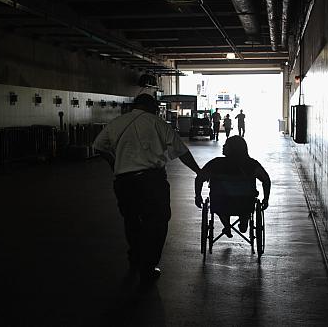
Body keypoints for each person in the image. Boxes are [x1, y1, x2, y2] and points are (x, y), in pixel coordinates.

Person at [93, 93, 200, 286]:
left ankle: (135, 257)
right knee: (158, 222)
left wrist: (114, 163)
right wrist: (199, 171)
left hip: (124, 181)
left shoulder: (117, 122)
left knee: (132, 220)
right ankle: (148, 267)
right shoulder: (156, 123)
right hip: (152, 181)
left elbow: (98, 146)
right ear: (151, 107)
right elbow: (182, 151)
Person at [194, 136, 270, 237]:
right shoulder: (251, 164)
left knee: (221, 203)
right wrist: (266, 199)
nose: (223, 146)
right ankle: (244, 221)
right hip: (245, 203)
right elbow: (266, 180)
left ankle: (227, 225)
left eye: (226, 145)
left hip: (221, 203)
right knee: (246, 201)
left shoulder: (216, 164)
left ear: (233, 148)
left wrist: (198, 196)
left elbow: (200, 178)